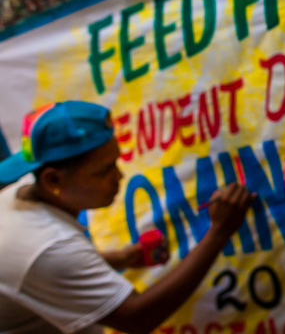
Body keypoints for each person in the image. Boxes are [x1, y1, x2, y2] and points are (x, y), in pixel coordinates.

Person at [0, 101, 255, 334]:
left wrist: (122, 258)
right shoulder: (48, 245)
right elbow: (137, 316)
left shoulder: (19, 195)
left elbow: (44, 274)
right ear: (53, 179)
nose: (119, 177)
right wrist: (219, 232)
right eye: (104, 170)